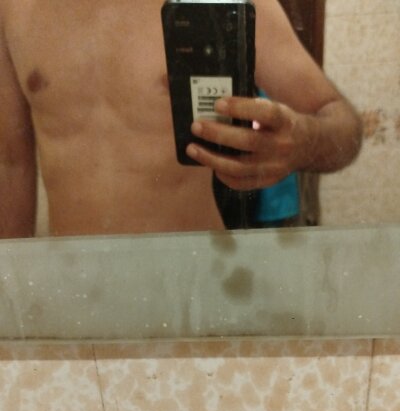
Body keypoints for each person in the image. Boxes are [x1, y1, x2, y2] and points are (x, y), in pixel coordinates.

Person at [0, 0, 362, 238]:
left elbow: (341, 121)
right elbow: (10, 164)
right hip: (75, 282)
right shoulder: (13, 8)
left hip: (193, 275)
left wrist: (303, 141)